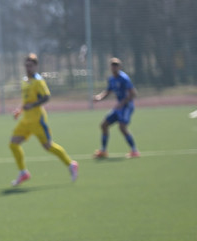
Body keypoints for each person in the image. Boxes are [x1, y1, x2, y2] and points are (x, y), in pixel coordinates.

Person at [9, 53, 78, 187]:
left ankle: (71, 164)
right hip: (25, 121)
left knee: (48, 146)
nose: (28, 68)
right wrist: (20, 110)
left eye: (31, 66)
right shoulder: (24, 81)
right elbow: (26, 100)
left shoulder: (38, 81)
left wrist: (33, 105)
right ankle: (23, 172)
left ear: (35, 66)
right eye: (26, 65)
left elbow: (46, 97)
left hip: (37, 120)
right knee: (13, 144)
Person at [93, 57, 140, 158]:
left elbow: (133, 93)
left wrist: (122, 103)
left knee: (122, 127)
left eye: (116, 65)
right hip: (119, 107)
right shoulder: (111, 79)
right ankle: (103, 151)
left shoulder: (124, 78)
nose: (114, 67)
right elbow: (108, 91)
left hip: (127, 106)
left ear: (120, 67)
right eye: (112, 65)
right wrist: (99, 97)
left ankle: (134, 151)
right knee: (104, 125)